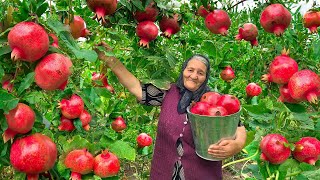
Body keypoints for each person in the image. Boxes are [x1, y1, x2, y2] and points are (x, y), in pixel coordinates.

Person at [95, 42, 247, 180]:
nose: (194, 76)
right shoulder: (167, 92)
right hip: (164, 172)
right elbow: (135, 87)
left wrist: (238, 144)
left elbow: (238, 124)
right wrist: (110, 59)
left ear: (206, 77)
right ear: (183, 71)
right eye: (190, 70)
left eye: (200, 73)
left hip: (202, 174)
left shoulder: (215, 100)